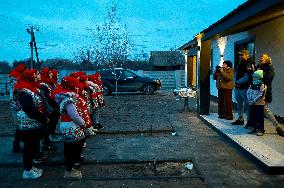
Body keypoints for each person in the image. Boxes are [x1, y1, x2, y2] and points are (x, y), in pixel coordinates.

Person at [13, 69, 48, 179]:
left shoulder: (32, 87)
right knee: (29, 147)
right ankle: (28, 170)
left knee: (32, 145)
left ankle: (31, 167)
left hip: (34, 123)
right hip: (29, 123)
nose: (39, 75)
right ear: (30, 76)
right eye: (36, 74)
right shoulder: (24, 91)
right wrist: (43, 118)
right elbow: (29, 108)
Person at [53, 76, 86, 178]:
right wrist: (83, 123)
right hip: (72, 126)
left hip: (65, 125)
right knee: (74, 146)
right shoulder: (69, 100)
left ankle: (70, 166)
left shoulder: (63, 98)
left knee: (68, 146)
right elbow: (74, 115)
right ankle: (70, 169)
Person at [257, 54, 284, 137]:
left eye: (262, 58)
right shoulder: (259, 66)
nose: (260, 59)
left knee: (264, 109)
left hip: (265, 91)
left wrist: (260, 74)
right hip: (257, 91)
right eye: (260, 58)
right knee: (260, 110)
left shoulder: (269, 67)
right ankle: (258, 127)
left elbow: (270, 77)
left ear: (267, 59)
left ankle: (277, 127)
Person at [232, 49, 255, 125]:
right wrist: (235, 82)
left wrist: (237, 82)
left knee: (247, 105)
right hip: (238, 87)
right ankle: (240, 119)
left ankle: (249, 122)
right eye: (240, 55)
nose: (240, 56)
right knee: (239, 104)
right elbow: (236, 73)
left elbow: (248, 76)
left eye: (242, 55)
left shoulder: (249, 63)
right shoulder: (240, 63)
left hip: (245, 88)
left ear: (247, 55)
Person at [8, 64, 27, 153]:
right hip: (16, 104)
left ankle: (17, 144)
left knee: (19, 126)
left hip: (14, 104)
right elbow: (16, 94)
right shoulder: (16, 80)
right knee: (20, 126)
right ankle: (17, 145)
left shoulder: (13, 78)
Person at [246, 70, 267, 136]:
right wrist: (249, 99)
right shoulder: (252, 84)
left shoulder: (262, 85)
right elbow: (248, 92)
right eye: (253, 77)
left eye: (255, 77)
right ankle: (253, 127)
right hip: (252, 104)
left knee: (259, 117)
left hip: (259, 104)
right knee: (252, 116)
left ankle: (260, 129)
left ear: (259, 77)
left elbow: (261, 95)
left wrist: (254, 101)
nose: (253, 78)